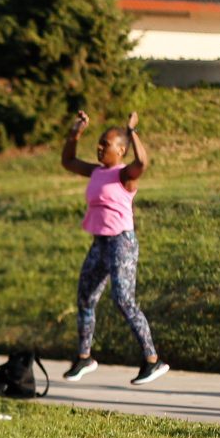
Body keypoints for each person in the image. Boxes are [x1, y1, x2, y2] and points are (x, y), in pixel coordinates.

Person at [59, 109, 168, 385]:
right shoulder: (97, 172)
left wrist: (132, 131)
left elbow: (142, 162)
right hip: (100, 243)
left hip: (122, 243)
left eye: (104, 145)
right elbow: (68, 160)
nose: (98, 148)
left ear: (121, 150)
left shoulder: (124, 175)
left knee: (123, 300)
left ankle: (152, 360)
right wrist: (76, 132)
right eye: (98, 143)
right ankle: (84, 357)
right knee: (85, 297)